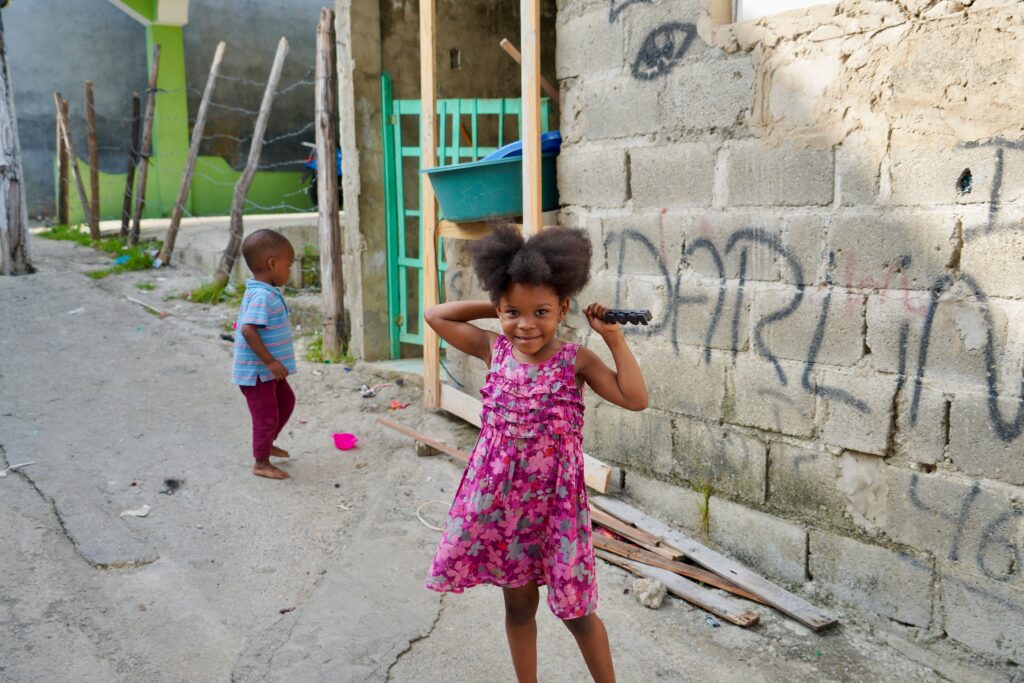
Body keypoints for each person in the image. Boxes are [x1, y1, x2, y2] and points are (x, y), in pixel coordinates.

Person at [424, 225, 648, 683]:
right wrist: (501, 303)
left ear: (564, 307)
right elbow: (435, 315)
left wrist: (613, 338)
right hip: (503, 509)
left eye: (541, 311)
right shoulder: (494, 347)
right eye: (514, 313)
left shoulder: (576, 361)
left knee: (577, 612)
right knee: (519, 607)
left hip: (556, 510)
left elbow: (634, 397)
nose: (526, 325)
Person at [231, 229, 298, 480]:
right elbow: (248, 330)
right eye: (288, 265)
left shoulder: (263, 291)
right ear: (272, 263)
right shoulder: (261, 295)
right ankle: (261, 462)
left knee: (286, 402)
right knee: (266, 415)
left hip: (265, 371)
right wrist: (270, 361)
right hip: (257, 372)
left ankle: (267, 443)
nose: (289, 271)